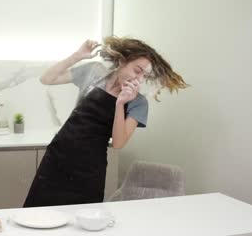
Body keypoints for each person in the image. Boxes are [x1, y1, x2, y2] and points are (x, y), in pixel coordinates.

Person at [23, 36, 188, 207]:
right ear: (122, 61)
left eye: (144, 76)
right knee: (36, 213)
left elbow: (118, 143)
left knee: (83, 222)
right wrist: (77, 55)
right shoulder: (94, 72)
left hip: (89, 170)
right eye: (137, 70)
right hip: (57, 159)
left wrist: (120, 104)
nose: (138, 79)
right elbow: (46, 79)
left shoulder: (139, 103)